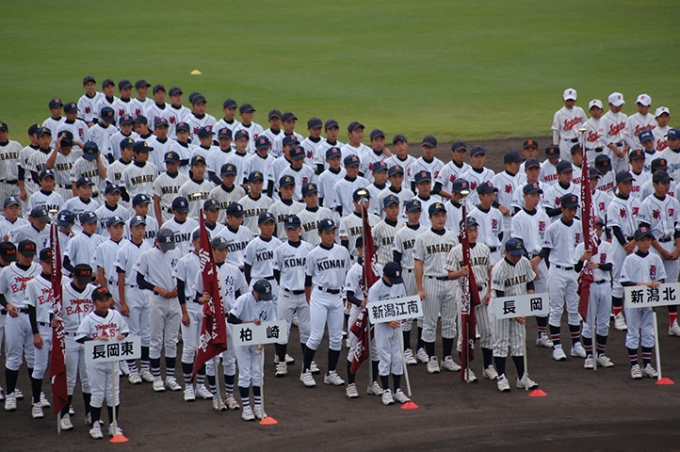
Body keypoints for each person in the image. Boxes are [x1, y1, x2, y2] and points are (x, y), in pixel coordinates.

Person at [300, 219, 351, 387]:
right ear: (319, 234)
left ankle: (331, 373)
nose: (331, 235)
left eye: (333, 232)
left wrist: (348, 296)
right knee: (316, 336)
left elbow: (348, 274)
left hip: (337, 296)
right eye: (327, 232)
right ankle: (305, 371)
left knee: (336, 338)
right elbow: (308, 280)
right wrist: (309, 298)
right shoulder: (313, 254)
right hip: (320, 295)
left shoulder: (342, 251)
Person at [75, 286, 129, 439]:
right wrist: (96, 340)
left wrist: (123, 336)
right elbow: (80, 337)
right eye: (101, 300)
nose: (105, 303)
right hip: (96, 362)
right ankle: (95, 425)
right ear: (94, 302)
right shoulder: (89, 319)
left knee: (113, 393)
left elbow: (125, 330)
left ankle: (113, 424)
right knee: (97, 394)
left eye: (107, 300)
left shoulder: (115, 315)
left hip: (112, 360)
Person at [446, 216, 495, 382]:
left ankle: (487, 367)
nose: (473, 233)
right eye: (469, 230)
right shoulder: (456, 251)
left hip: (483, 292)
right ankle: (466, 368)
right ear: (462, 232)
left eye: (475, 230)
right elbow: (450, 274)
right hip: (464, 294)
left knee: (487, 332)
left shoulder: (484, 249)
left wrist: (490, 292)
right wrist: (460, 273)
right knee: (465, 333)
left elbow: (489, 270)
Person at [134, 229, 182, 393]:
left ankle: (170, 377)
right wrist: (157, 288)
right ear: (157, 241)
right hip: (156, 300)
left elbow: (181, 274)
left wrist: (178, 287)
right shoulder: (147, 255)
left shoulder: (177, 252)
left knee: (172, 340)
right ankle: (157, 378)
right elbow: (139, 280)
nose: (167, 247)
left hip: (174, 300)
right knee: (156, 340)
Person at [414, 202, 459, 373]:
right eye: (437, 216)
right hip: (431, 281)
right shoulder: (422, 238)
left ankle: (447, 358)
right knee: (430, 322)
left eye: (443, 215)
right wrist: (420, 288)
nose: (440, 219)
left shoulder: (453, 237)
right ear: (430, 218)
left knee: (449, 322)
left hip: (450, 282)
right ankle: (432, 358)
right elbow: (418, 264)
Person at [489, 238, 539, 392]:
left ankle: (522, 377)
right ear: (505, 252)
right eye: (514, 254)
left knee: (518, 342)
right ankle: (501, 377)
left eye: (519, 254)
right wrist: (515, 314)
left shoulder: (524, 262)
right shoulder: (499, 269)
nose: (517, 257)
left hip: (518, 305)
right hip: (500, 307)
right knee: (501, 343)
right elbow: (500, 295)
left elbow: (530, 282)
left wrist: (530, 296)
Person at [227, 279, 276, 421]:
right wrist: (249, 323)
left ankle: (259, 406)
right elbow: (231, 318)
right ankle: (246, 408)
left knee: (258, 373)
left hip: (258, 341)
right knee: (245, 374)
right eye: (261, 295)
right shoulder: (244, 299)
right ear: (254, 291)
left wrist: (264, 340)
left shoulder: (268, 302)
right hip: (242, 341)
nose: (263, 298)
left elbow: (271, 322)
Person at [543, 194, 584, 361]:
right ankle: (557, 346)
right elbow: (546, 253)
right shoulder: (552, 228)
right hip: (557, 270)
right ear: (562, 209)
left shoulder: (580, 226)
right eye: (569, 209)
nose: (572, 212)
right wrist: (553, 271)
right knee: (556, 309)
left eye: (574, 209)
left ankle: (576, 344)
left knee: (574, 309)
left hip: (574, 271)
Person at [638, 171, 680, 336]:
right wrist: (661, 251)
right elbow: (645, 230)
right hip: (654, 247)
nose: (667, 186)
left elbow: (678, 227)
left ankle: (673, 323)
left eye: (668, 182)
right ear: (654, 185)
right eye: (663, 183)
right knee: (651, 284)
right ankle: (648, 324)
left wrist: (677, 249)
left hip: (672, 244)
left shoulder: (674, 202)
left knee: (672, 286)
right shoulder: (647, 204)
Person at [1, 240, 41, 412]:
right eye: (25, 255)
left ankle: (37, 396)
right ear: (18, 254)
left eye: (31, 256)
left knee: (34, 358)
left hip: (34, 316)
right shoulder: (7, 271)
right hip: (15, 316)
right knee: (13, 357)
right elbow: (0, 293)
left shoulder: (38, 269)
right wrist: (7, 305)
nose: (28, 258)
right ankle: (10, 394)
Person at [511, 182, 552, 347]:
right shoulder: (518, 218)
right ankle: (516, 335)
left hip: (540, 260)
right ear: (524, 196)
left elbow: (548, 242)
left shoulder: (544, 216)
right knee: (520, 294)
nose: (536, 198)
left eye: (537, 195)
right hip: (522, 261)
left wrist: (539, 259)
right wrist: (530, 266)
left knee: (542, 297)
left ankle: (542, 334)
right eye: (532, 195)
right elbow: (518, 243)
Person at [272, 215, 314, 377]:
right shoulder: (280, 250)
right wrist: (285, 285)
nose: (291, 232)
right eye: (289, 229)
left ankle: (308, 363)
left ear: (300, 229)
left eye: (294, 229)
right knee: (282, 329)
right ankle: (281, 363)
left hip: (305, 295)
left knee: (307, 330)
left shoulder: (308, 248)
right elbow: (276, 272)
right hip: (287, 294)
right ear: (285, 230)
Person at [620, 227, 664, 380]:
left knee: (648, 331)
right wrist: (642, 284)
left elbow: (662, 278)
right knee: (633, 332)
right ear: (636, 242)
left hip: (649, 299)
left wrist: (657, 283)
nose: (646, 243)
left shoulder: (655, 258)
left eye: (648, 240)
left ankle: (647, 365)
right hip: (633, 299)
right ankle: (634, 366)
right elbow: (624, 281)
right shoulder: (630, 259)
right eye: (643, 240)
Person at [114, 215, 153, 384]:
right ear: (131, 230)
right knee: (132, 332)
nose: (140, 231)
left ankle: (145, 368)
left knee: (146, 333)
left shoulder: (149, 247)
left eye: (142, 227)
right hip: (131, 291)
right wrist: (122, 301)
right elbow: (120, 277)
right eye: (137, 228)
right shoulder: (124, 250)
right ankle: (132, 369)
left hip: (147, 292)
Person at [368, 262, 412, 406]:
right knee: (385, 357)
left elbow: (404, 301)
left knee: (398, 357)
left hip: (397, 326)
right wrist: (387, 321)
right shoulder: (375, 289)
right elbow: (372, 311)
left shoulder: (399, 284)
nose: (394, 282)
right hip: (382, 328)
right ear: (384, 276)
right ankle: (386, 390)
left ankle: (397, 389)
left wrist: (404, 316)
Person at [573, 218, 614, 369]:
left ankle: (601, 354)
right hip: (590, 286)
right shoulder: (582, 247)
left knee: (603, 322)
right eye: (594, 228)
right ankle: (589, 355)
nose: (596, 231)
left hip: (605, 284)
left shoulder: (607, 246)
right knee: (589, 322)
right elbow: (576, 268)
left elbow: (610, 265)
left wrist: (597, 265)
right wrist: (583, 258)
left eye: (599, 228)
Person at [344, 237, 382, 398]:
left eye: (373, 248)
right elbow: (349, 295)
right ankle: (351, 384)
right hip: (358, 312)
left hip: (374, 313)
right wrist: (361, 302)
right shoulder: (353, 270)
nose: (371, 251)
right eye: (367, 248)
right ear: (359, 250)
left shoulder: (378, 269)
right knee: (355, 348)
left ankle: (373, 384)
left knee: (375, 350)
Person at [607, 171, 645, 331]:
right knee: (618, 280)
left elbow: (642, 223)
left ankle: (634, 314)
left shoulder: (636, 202)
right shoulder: (613, 204)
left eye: (630, 183)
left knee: (636, 277)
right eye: (625, 183)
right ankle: (618, 316)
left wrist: (634, 241)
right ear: (618, 184)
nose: (628, 186)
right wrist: (625, 245)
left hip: (635, 241)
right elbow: (615, 228)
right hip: (619, 245)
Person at [60, 264, 96, 426]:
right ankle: (64, 415)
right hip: (70, 338)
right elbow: (53, 313)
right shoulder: (62, 291)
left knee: (88, 378)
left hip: (88, 339)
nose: (83, 282)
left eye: (86, 278)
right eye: (81, 278)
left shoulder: (93, 291)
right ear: (73, 276)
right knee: (69, 379)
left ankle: (90, 414)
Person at [392, 199, 424, 365]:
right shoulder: (400, 233)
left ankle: (421, 348)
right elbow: (396, 259)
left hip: (424, 275)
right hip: (407, 274)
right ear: (406, 213)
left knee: (423, 314)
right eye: (412, 212)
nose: (415, 214)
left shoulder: (426, 231)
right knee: (407, 314)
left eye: (418, 211)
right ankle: (406, 349)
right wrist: (398, 282)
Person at [25, 248, 54, 420]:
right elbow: (31, 310)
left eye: (53, 263)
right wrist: (35, 333)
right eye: (48, 263)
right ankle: (36, 403)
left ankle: (63, 403)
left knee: (61, 368)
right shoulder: (33, 284)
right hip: (42, 328)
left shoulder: (64, 281)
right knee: (40, 368)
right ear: (41, 263)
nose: (51, 266)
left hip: (59, 330)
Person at [153, 151, 190, 225]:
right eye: (167, 163)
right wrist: (159, 221)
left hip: (181, 214)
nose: (169, 166)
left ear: (178, 163)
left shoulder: (185, 179)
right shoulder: (159, 180)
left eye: (172, 163)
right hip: (165, 214)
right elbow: (156, 202)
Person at [552, 88, 586, 162]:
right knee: (565, 164)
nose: (569, 102)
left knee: (580, 163)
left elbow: (586, 126)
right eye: (568, 100)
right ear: (563, 99)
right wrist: (555, 146)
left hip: (578, 142)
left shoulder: (580, 111)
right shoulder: (559, 114)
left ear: (575, 100)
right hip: (565, 144)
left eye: (571, 100)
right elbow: (556, 131)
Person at [178, 155, 216, 221]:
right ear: (191, 168)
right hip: (191, 220)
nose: (200, 169)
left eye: (202, 166)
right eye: (197, 166)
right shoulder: (185, 187)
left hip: (207, 221)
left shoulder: (210, 186)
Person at [267, 176, 304, 240]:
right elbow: (271, 230)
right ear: (280, 188)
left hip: (297, 241)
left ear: (294, 188)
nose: (289, 191)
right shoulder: (274, 208)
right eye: (286, 188)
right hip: (280, 241)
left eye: (291, 188)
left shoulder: (300, 207)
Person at [238, 171, 274, 237]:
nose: (257, 185)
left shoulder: (269, 201)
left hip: (264, 237)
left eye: (260, 183)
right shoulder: (241, 203)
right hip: (248, 237)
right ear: (249, 183)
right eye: (255, 183)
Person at [601, 92, 629, 172]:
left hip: (623, 148)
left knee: (624, 173)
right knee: (610, 172)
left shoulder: (624, 117)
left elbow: (628, 135)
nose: (619, 107)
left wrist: (625, 149)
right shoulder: (605, 119)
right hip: (610, 149)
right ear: (609, 104)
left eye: (620, 105)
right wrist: (614, 149)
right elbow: (602, 137)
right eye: (616, 106)